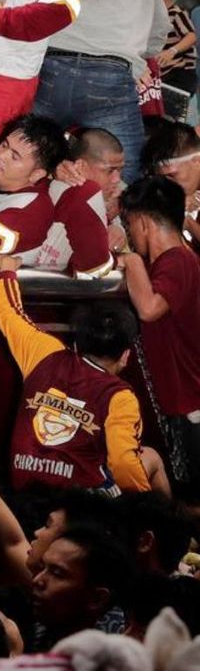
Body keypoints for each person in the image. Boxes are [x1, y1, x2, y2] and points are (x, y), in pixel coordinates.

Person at [0, 257, 161, 495]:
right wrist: (143, 505)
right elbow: (122, 464)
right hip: (79, 507)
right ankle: (160, 528)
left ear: (77, 344)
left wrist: (6, 271)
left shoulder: (44, 353)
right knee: (151, 458)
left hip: (23, 491)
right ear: (125, 356)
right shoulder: (120, 396)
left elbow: (9, 312)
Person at [38, 0, 166, 180]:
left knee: (31, 160)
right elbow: (158, 36)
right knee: (125, 175)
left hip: (50, 72)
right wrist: (132, 54)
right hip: (112, 80)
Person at [119, 176, 200, 468]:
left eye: (129, 226)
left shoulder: (178, 260)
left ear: (141, 223)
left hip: (187, 410)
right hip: (178, 405)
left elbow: (150, 309)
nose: (129, 235)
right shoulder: (177, 260)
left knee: (189, 506)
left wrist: (131, 261)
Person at [0, 114, 67, 265]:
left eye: (15, 156)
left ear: (36, 174)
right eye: (4, 145)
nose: (1, 155)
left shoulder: (32, 212)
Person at [34, 128, 118, 280]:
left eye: (120, 170)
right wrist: (124, 261)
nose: (117, 179)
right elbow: (96, 270)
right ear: (80, 166)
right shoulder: (83, 192)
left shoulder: (116, 197)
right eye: (110, 170)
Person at [158, 0, 196, 118]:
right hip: (164, 77)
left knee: (172, 117)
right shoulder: (157, 17)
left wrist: (172, 51)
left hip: (180, 75)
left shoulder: (176, 13)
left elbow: (191, 35)